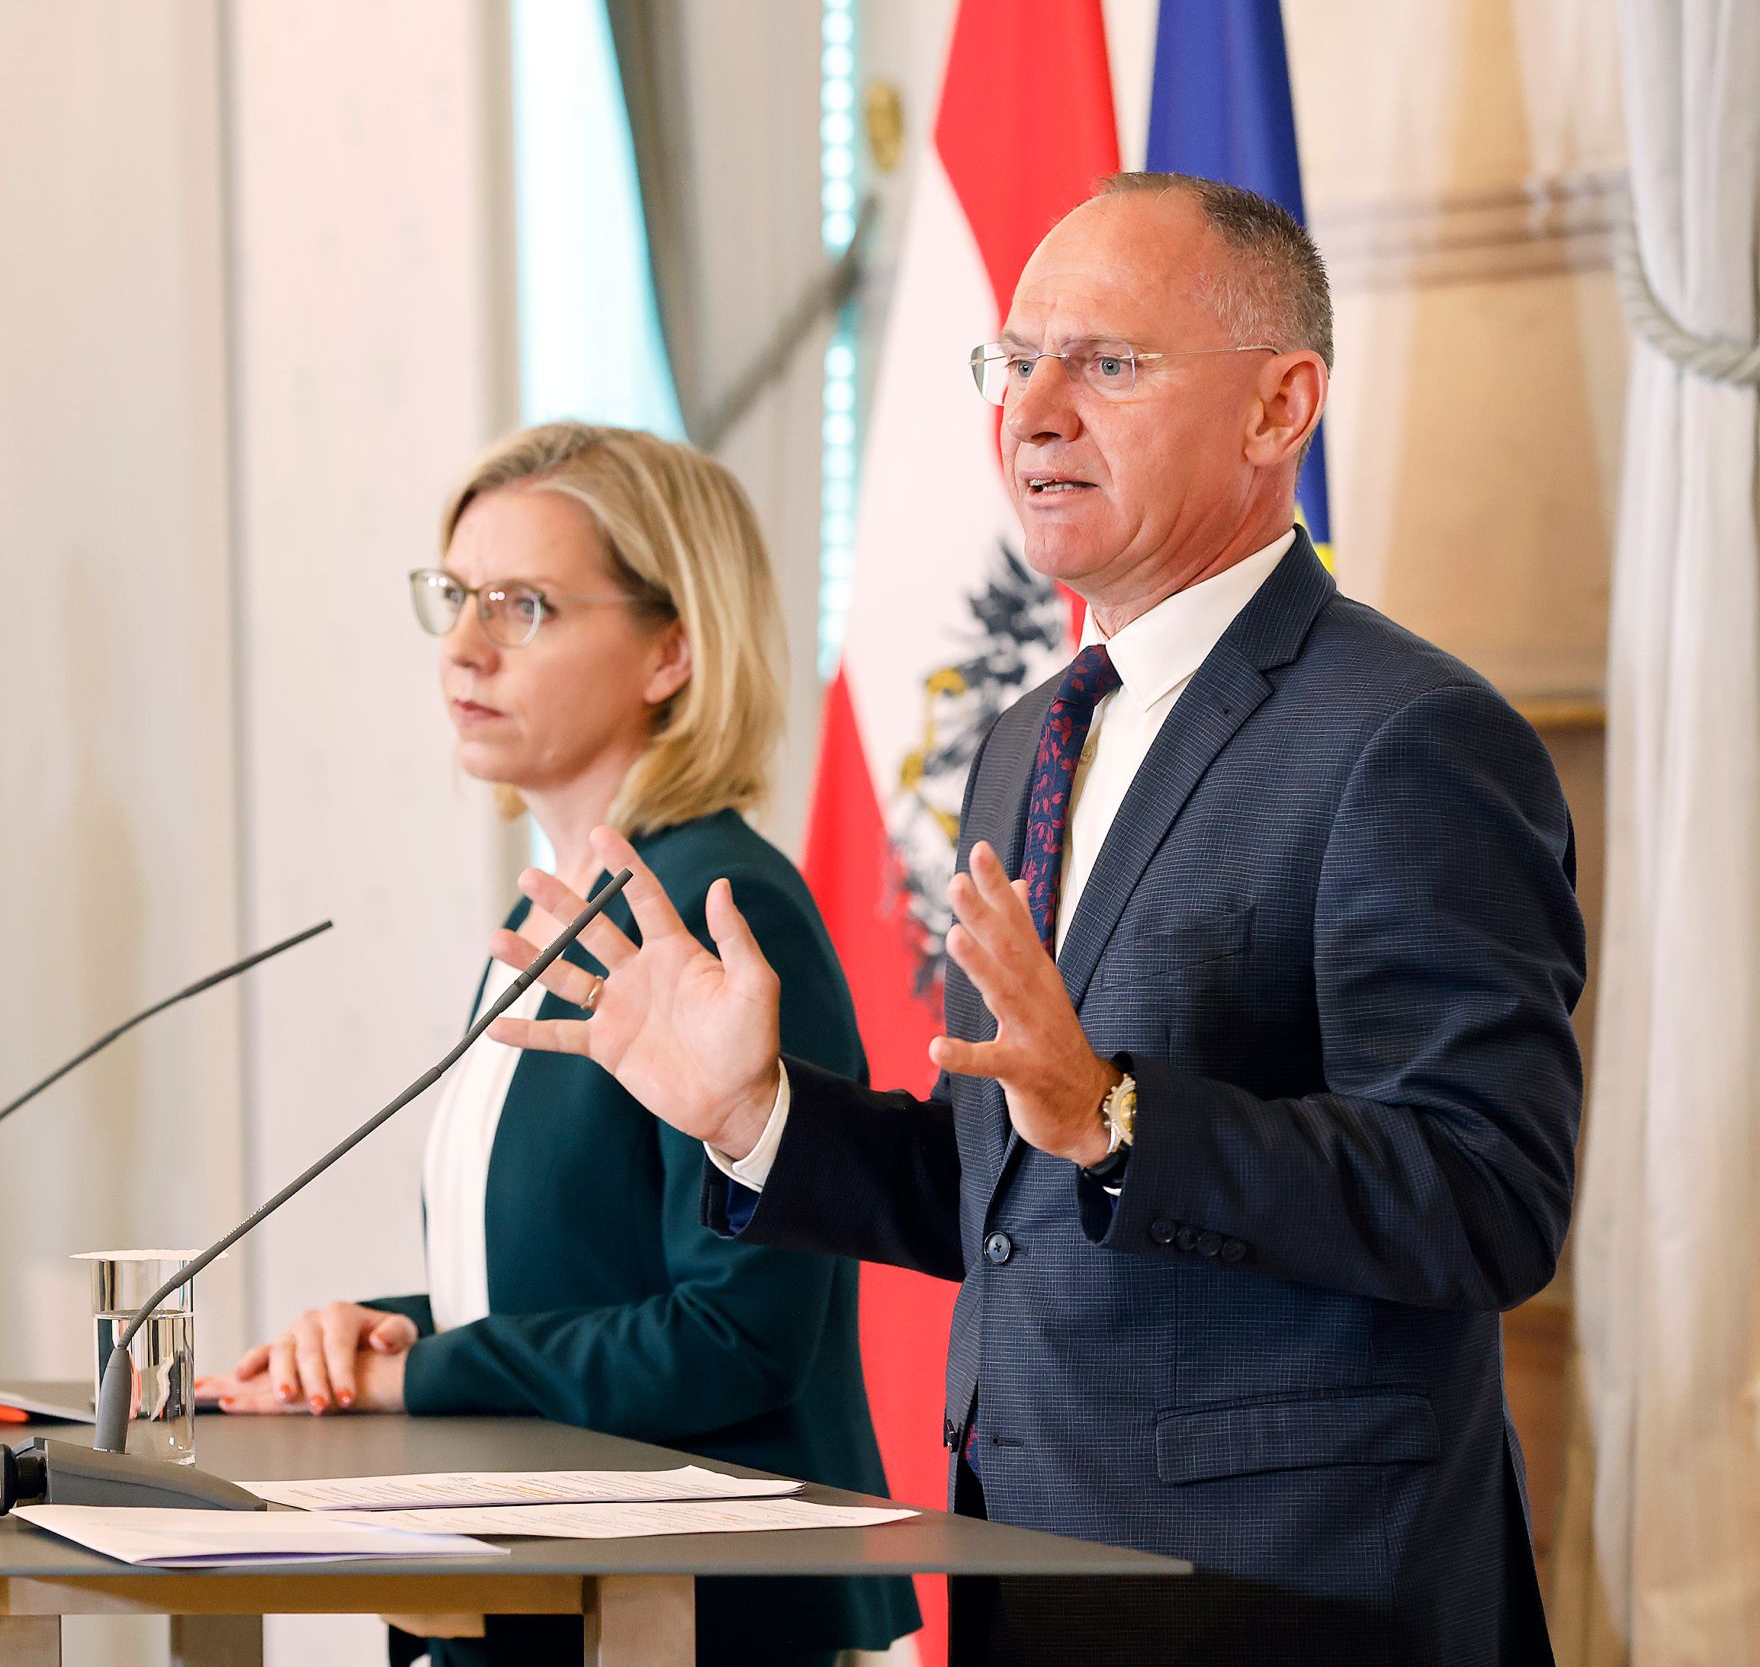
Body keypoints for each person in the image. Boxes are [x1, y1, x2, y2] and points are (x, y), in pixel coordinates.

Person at [486, 177, 1588, 1667]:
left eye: (1108, 363)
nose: (1035, 410)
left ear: (1281, 409)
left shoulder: (1406, 738)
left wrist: (1122, 1113)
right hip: (1026, 1563)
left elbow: (1488, 1193)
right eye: (1014, 361)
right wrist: (755, 1116)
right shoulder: (1028, 739)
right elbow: (1002, 1185)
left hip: (1297, 1595)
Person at [196, 422, 918, 1667]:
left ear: (670, 649)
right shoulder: (561, 907)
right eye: (457, 597)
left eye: (523, 605)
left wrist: (419, 1379)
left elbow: (735, 1334)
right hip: (534, 1588)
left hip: (700, 1615)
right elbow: (575, 1276)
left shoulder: (713, 912)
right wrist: (388, 1332)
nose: (464, 647)